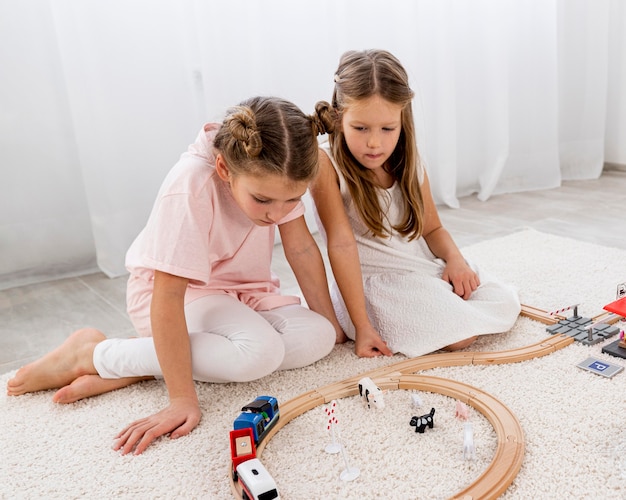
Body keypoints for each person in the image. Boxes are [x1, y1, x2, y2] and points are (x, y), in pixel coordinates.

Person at [7, 96, 345, 455]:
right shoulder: (191, 185)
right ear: (224, 169)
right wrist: (182, 399)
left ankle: (143, 363)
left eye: (291, 201)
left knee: (320, 335)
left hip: (245, 294)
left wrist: (331, 324)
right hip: (178, 295)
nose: (277, 214)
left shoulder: (282, 177)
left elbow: (302, 249)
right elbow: (167, 294)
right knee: (259, 354)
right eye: (262, 201)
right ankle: (94, 355)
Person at [310, 49, 521, 359]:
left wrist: (455, 260)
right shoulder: (326, 162)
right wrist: (362, 325)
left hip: (418, 269)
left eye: (387, 129)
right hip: (372, 286)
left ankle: (442, 300)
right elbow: (340, 246)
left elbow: (432, 227)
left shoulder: (408, 162)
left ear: (402, 120)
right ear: (340, 118)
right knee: (460, 335)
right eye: (361, 128)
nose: (374, 142)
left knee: (500, 299)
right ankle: (428, 310)